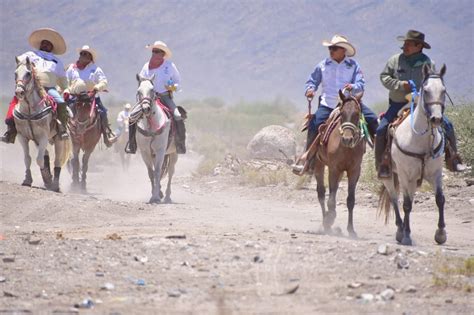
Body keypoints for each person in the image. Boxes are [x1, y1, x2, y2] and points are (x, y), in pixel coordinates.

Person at [377, 29, 466, 177]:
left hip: (422, 105)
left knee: (448, 125)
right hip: (398, 103)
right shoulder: (395, 60)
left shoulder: (428, 63)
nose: (405, 46)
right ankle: (382, 164)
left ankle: (453, 158)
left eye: (409, 44)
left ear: (419, 46)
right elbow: (384, 77)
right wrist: (400, 85)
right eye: (405, 43)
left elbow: (433, 82)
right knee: (381, 129)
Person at [292, 34, 379, 174]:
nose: (331, 51)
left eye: (334, 48)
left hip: (349, 104)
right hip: (328, 103)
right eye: (330, 48)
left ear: (343, 50)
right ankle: (308, 161)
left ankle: (381, 160)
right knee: (315, 124)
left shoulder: (353, 65)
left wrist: (353, 86)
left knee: (374, 121)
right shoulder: (322, 65)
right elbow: (312, 81)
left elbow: (360, 84)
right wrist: (310, 90)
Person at [1, 28, 69, 143]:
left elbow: (63, 81)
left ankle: (62, 129)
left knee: (61, 102)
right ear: (40, 44)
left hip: (49, 89)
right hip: (31, 88)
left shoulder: (56, 62)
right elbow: (19, 62)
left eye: (48, 43)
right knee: (15, 102)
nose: (45, 45)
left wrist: (65, 89)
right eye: (43, 42)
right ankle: (10, 131)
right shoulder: (31, 55)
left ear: (52, 46)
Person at [125, 41, 186, 154]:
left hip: (165, 96)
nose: (154, 53)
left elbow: (178, 82)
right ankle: (132, 144)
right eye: (153, 51)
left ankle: (180, 143)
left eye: (157, 51)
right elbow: (142, 81)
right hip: (149, 98)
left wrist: (172, 87)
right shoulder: (146, 66)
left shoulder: (169, 66)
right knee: (132, 116)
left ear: (163, 54)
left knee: (177, 115)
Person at [65, 45, 116, 147]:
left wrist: (96, 89)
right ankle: (61, 133)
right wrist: (66, 91)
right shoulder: (72, 68)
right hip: (75, 96)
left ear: (90, 58)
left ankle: (106, 135)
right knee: (63, 111)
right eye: (81, 53)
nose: (82, 56)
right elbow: (66, 81)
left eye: (85, 54)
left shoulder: (95, 69)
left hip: (91, 96)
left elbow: (103, 81)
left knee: (103, 112)